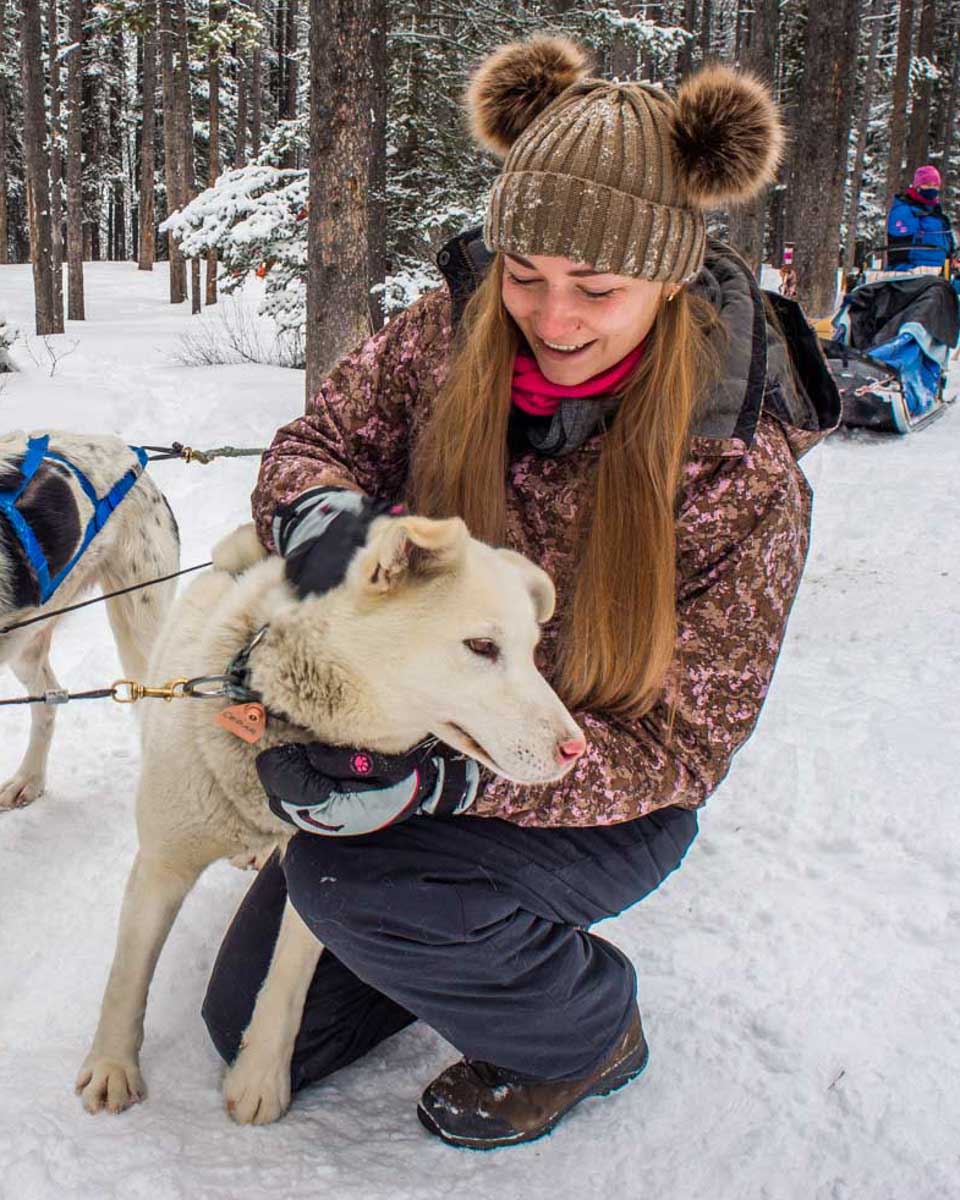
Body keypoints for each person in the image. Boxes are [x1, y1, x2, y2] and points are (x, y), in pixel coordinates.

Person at [201, 37, 839, 1149]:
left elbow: (684, 749)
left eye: (598, 288)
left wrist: (440, 793)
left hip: (602, 785)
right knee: (253, 1030)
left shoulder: (740, 472)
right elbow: (317, 443)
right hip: (429, 728)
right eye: (527, 276)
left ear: (672, 276)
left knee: (354, 890)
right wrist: (323, 523)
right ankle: (444, 931)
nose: (554, 318)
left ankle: (587, 1029)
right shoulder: (446, 337)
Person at [886, 165, 957, 271]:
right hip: (911, 271)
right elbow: (900, 245)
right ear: (917, 186)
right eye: (927, 185)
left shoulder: (938, 215)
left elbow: (949, 247)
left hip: (941, 272)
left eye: (935, 185)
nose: (932, 189)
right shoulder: (904, 210)